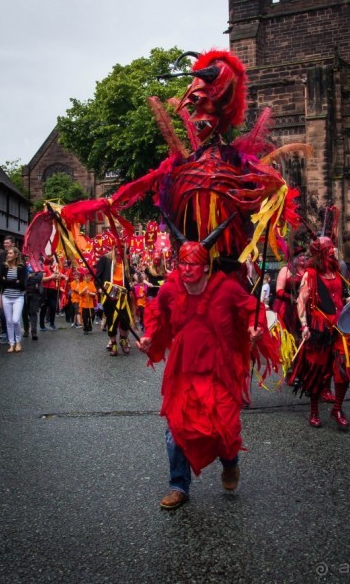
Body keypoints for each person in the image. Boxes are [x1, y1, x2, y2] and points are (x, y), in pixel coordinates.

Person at [137, 219, 279, 510]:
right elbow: (156, 313)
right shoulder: (171, 289)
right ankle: (179, 485)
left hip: (219, 370)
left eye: (193, 264)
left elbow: (253, 308)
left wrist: (256, 329)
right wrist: (150, 337)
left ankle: (230, 462)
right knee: (176, 427)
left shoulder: (225, 289)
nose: (186, 269)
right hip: (184, 369)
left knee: (223, 427)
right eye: (182, 263)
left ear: (205, 266)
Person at [287, 236, 350, 429]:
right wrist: (305, 326)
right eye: (329, 249)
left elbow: (342, 296)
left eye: (333, 248)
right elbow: (301, 300)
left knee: (343, 369)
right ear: (321, 254)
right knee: (317, 372)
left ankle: (337, 409)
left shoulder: (336, 271)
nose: (333, 251)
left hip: (341, 327)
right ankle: (314, 411)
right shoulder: (310, 274)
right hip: (319, 329)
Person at [95, 246, 133, 356]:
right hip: (109, 294)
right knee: (111, 320)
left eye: (121, 247)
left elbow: (126, 278)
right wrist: (100, 288)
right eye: (116, 246)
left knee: (125, 319)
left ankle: (123, 340)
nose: (118, 249)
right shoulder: (105, 259)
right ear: (113, 247)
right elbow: (97, 276)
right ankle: (113, 343)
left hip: (122, 296)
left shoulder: (126, 261)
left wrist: (129, 288)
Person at [0, 247, 27, 353]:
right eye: (8, 253)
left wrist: (9, 281)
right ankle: (11, 343)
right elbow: (0, 280)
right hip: (6, 296)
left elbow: (22, 283)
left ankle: (18, 341)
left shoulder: (21, 267)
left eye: (10, 253)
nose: (8, 255)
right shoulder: (4, 266)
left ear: (16, 255)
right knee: (9, 321)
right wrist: (15, 281)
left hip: (18, 297)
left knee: (15, 320)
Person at [273, 248, 306, 340]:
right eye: (300, 256)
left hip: (304, 307)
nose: (303, 257)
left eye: (304, 255)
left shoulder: (307, 271)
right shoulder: (286, 270)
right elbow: (279, 291)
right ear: (294, 258)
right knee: (289, 336)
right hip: (287, 308)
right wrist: (292, 299)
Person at [0, 236, 16, 344]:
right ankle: (4, 332)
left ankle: (12, 334)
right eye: (4, 243)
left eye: (7, 243)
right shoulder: (0, 256)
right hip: (3, 287)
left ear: (13, 244)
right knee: (2, 312)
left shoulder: (17, 256)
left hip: (15, 287)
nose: (5, 245)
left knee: (13, 313)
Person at [22, 259, 43, 340]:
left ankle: (34, 332)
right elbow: (21, 279)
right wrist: (28, 277)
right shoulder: (23, 264)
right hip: (24, 292)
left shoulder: (38, 265)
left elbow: (39, 278)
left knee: (33, 312)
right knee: (24, 312)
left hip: (35, 293)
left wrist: (27, 279)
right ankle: (26, 330)